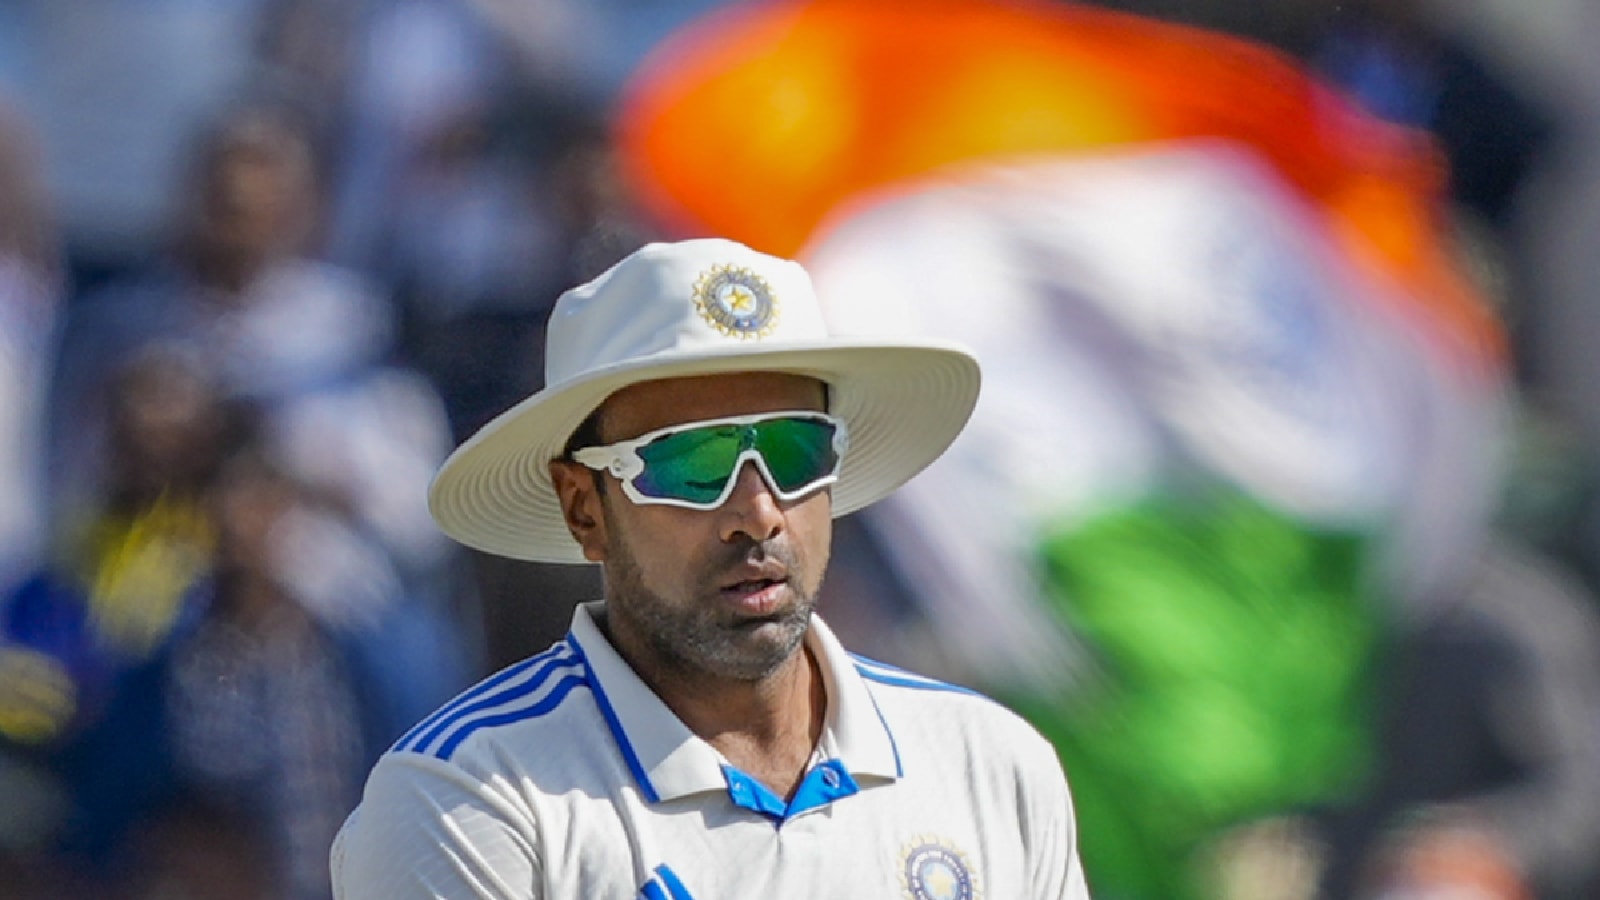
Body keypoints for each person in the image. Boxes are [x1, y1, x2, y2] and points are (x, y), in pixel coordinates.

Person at [331, 238, 1093, 899]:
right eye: (694, 464)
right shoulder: (466, 801)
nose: (758, 514)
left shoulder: (989, 761)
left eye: (797, 452)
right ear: (583, 508)